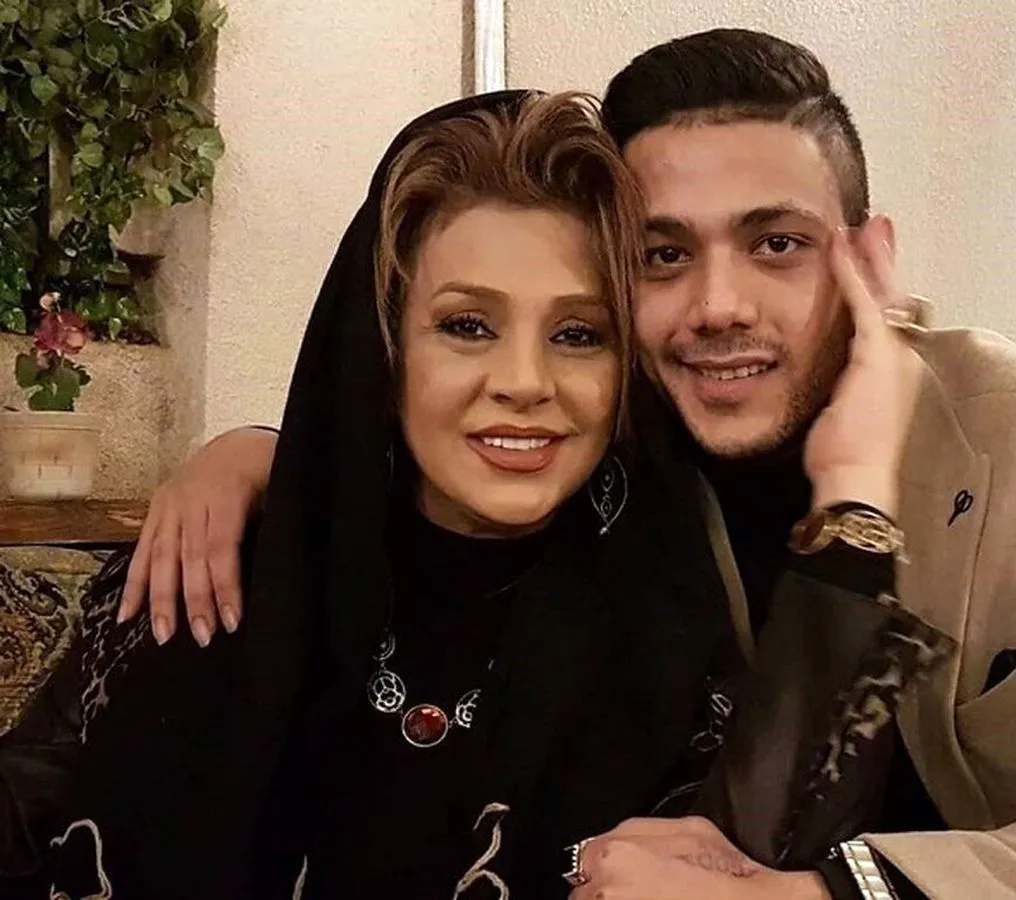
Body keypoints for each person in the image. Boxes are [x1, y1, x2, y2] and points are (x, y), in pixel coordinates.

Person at [126, 28, 1016, 900]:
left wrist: (833, 895)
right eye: (665, 254)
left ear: (871, 260)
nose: (719, 305)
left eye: (776, 243)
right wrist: (262, 454)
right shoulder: (609, 443)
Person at [37, 84, 935, 900]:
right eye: (467, 325)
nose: (524, 382)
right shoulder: (205, 575)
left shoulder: (680, 630)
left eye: (578, 335)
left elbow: (765, 862)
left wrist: (855, 486)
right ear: (385, 346)